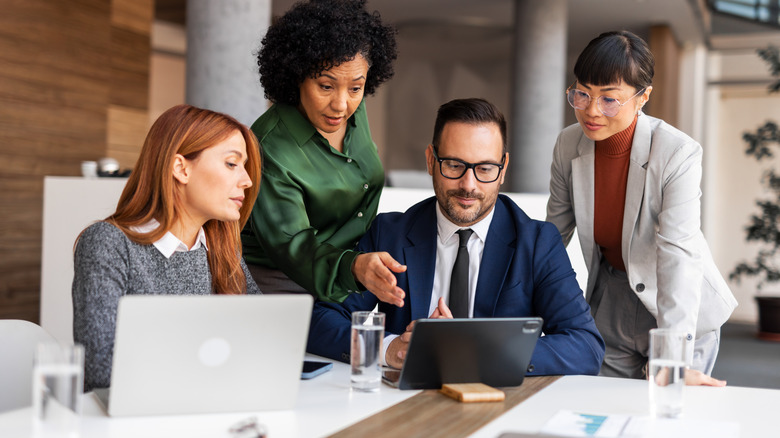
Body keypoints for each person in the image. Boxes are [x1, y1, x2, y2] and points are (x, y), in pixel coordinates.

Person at [308, 98, 605, 375]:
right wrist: (389, 348)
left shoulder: (538, 242)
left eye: (485, 168)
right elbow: (321, 320)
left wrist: (477, 352)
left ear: (503, 169)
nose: (469, 185)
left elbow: (585, 345)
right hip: (402, 403)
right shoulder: (391, 233)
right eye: (454, 165)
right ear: (430, 160)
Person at [546, 30, 737, 384]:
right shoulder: (568, 144)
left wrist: (673, 360)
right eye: (582, 93)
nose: (591, 111)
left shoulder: (677, 153)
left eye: (609, 99)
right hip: (610, 299)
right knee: (605, 409)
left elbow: (678, 253)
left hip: (678, 303)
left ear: (643, 96)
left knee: (665, 415)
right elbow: (552, 236)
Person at [72, 104, 262, 391]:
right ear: (180, 168)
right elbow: (101, 369)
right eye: (232, 164)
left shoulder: (222, 249)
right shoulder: (108, 244)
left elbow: (262, 338)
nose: (247, 180)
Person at [241, 0, 405, 307]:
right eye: (326, 86)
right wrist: (353, 267)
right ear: (296, 76)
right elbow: (294, 247)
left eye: (356, 88)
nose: (341, 104)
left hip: (352, 272)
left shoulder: (352, 109)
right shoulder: (269, 147)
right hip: (283, 281)